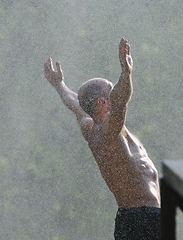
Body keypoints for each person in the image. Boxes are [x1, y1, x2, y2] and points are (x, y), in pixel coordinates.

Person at [44, 38, 161, 239]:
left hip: (131, 217)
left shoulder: (89, 128)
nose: (115, 90)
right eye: (111, 90)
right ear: (102, 102)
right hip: (144, 218)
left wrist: (59, 84)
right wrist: (126, 73)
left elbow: (74, 102)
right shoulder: (109, 130)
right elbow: (121, 101)